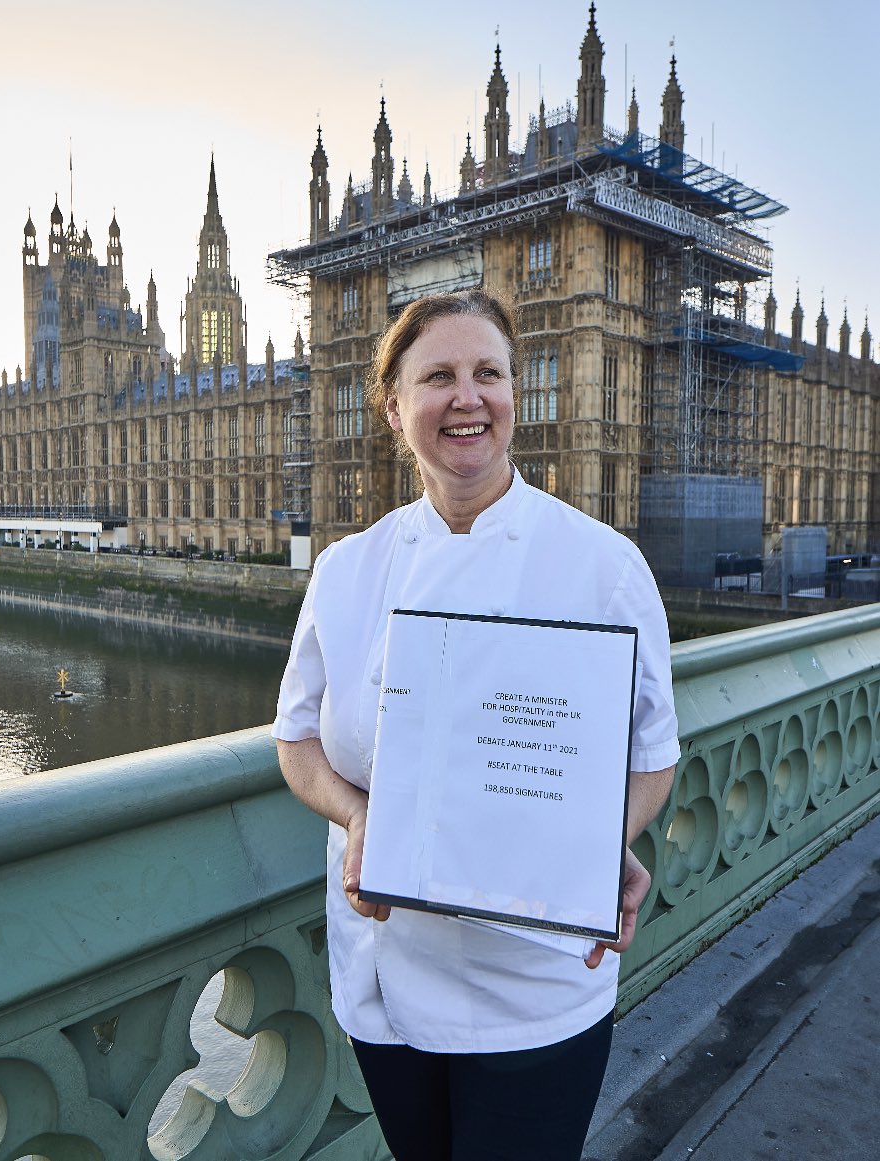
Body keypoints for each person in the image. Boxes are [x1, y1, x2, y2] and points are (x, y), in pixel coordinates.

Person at [272, 288, 679, 1161]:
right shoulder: (346, 570)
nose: (467, 397)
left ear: (514, 393)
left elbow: (651, 758)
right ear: (392, 407)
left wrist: (596, 839)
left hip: (534, 984)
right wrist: (358, 817)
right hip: (383, 970)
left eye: (488, 373)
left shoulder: (602, 565)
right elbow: (296, 740)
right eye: (438, 377)